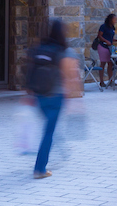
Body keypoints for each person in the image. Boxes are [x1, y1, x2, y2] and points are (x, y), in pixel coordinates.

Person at [25, 20, 79, 179]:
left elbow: (29, 70)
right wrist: (74, 95)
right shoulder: (64, 51)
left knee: (49, 129)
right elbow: (70, 75)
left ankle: (52, 149)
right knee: (49, 132)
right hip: (56, 96)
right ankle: (40, 169)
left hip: (39, 95)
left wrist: (27, 94)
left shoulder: (40, 48)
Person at [94, 14, 117, 89]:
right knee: (103, 63)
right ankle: (101, 81)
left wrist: (115, 40)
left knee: (110, 63)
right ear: (110, 19)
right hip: (103, 46)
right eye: (114, 19)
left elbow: (110, 37)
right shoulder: (103, 26)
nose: (115, 21)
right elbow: (100, 35)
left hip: (109, 47)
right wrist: (106, 41)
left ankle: (111, 80)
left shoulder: (112, 27)